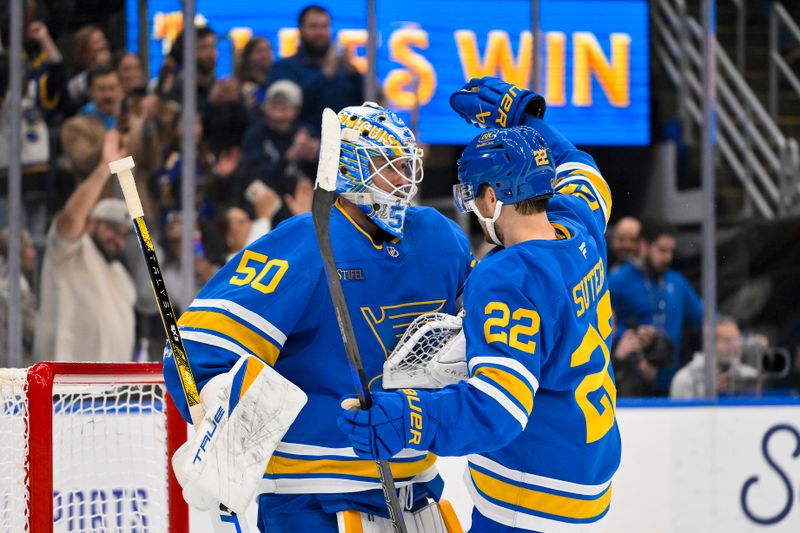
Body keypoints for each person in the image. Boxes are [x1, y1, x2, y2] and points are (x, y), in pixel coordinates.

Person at [164, 103, 472, 532]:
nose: (401, 180)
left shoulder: (441, 238)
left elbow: (477, 332)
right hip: (313, 500)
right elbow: (197, 349)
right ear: (347, 167)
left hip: (419, 493)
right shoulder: (304, 243)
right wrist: (221, 425)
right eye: (387, 165)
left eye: (406, 165)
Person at [339, 77, 620, 531]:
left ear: (493, 195)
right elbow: (581, 166)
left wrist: (409, 417)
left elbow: (497, 410)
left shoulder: (507, 276)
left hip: (530, 493)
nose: (471, 208)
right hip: (588, 470)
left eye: (472, 195)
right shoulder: (580, 224)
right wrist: (523, 119)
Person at [34, 130, 136, 362]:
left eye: (123, 235)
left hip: (113, 393)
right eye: (111, 229)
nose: (118, 239)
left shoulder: (121, 277)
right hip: (63, 388)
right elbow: (70, 219)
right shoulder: (69, 253)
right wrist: (103, 169)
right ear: (92, 223)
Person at [609, 218, 703, 393]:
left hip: (672, 384)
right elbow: (599, 322)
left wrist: (734, 335)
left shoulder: (676, 281)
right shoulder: (618, 281)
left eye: (671, 251)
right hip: (631, 384)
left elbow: (704, 317)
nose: (667, 257)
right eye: (662, 250)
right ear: (644, 246)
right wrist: (630, 336)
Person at [269, 5, 363, 133]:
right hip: (302, 145)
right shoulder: (283, 68)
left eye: (324, 26)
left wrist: (354, 73)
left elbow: (368, 102)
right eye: (313, 26)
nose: (320, 32)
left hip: (346, 148)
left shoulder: (345, 72)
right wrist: (325, 74)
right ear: (301, 29)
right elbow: (290, 105)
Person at [670, 317, 760, 398]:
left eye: (737, 340)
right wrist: (710, 393)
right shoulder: (685, 379)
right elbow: (681, 414)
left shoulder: (750, 376)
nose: (735, 346)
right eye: (727, 341)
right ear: (709, 344)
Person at [0, 228, 38, 367]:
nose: (33, 253)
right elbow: (32, 329)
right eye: (29, 248)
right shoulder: (17, 285)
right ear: (18, 252)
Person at [77, 64, 123, 129]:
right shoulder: (81, 122)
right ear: (91, 92)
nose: (107, 95)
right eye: (101, 89)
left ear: (121, 90)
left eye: (112, 88)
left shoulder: (131, 115)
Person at [236, 36, 274, 108]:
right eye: (259, 51)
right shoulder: (241, 87)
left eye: (268, 50)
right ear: (248, 56)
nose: (265, 55)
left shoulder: (277, 81)